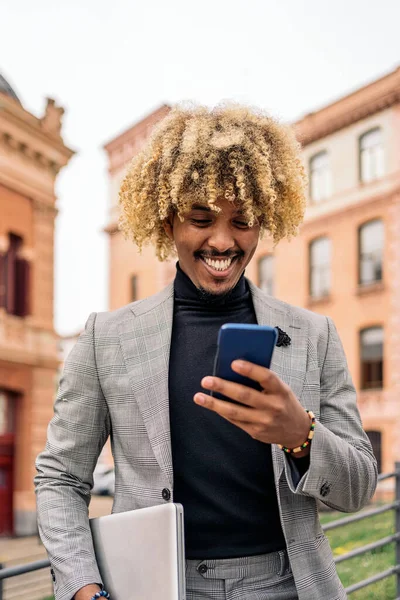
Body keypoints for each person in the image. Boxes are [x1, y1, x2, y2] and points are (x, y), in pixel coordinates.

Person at [35, 104, 378, 600]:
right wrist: (83, 588)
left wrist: (300, 436)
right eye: (200, 218)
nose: (222, 240)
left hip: (288, 585)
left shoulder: (314, 334)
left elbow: (360, 486)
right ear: (168, 217)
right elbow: (61, 478)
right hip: (155, 586)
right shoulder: (104, 338)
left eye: (243, 221)